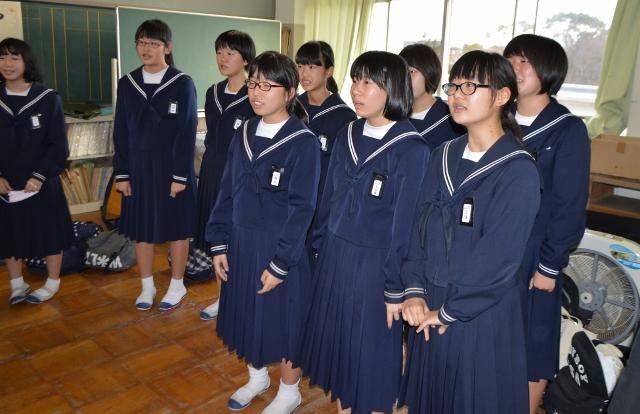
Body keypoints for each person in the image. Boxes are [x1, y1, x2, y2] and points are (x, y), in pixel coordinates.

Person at [399, 50, 541, 414]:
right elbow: (418, 228)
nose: (456, 95)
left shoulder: (517, 170)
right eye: (453, 86)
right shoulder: (442, 155)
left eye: (470, 86)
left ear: (502, 95)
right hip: (430, 301)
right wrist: (414, 290)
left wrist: (449, 311)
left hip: (479, 311)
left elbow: (499, 258)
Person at [298, 51, 430, 414]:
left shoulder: (411, 148)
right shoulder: (349, 132)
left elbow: (404, 228)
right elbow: (328, 198)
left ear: (393, 88)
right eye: (356, 80)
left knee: (370, 357)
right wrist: (318, 248)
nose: (357, 90)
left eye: (368, 82)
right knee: (340, 350)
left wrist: (394, 287)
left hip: (375, 268)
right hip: (335, 258)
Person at [206, 51, 320, 414]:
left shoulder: (302, 141)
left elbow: (302, 208)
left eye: (267, 86)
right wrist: (218, 242)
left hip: (280, 249)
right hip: (241, 242)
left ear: (290, 92)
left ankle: (289, 391)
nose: (256, 92)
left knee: (285, 322)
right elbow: (227, 190)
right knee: (246, 313)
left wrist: (281, 263)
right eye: (253, 83)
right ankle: (257, 376)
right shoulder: (244, 132)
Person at [504, 34, 591, 414]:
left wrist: (550, 265)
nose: (515, 68)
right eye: (511, 60)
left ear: (548, 71)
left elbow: (570, 205)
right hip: (495, 251)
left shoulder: (566, 129)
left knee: (532, 344)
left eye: (524, 62)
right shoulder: (498, 119)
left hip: (535, 256)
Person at [113, 19, 197, 311]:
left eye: (153, 43)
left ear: (167, 48)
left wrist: (180, 176)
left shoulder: (182, 83)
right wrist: (122, 173)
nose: (145, 48)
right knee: (142, 228)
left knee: (178, 228)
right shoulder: (127, 83)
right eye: (141, 42)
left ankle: (177, 284)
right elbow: (121, 131)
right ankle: (146, 286)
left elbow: (187, 132)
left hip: (173, 169)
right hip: (139, 170)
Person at [0, 37, 74, 305]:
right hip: (7, 182)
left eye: (14, 58)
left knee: (49, 232)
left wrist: (39, 175)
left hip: (42, 179)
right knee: (10, 233)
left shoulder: (47, 98)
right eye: (2, 58)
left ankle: (52, 282)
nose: (7, 64)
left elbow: (58, 146)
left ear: (26, 62)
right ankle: (17, 284)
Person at [197, 30, 256, 321]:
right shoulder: (213, 92)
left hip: (240, 176)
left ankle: (242, 301)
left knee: (238, 239)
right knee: (217, 237)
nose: (223, 58)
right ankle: (222, 298)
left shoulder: (255, 94)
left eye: (230, 53)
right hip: (212, 170)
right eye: (219, 52)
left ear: (245, 59)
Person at [295, 41, 356, 203]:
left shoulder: (344, 116)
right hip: (291, 197)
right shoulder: (291, 108)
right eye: (300, 66)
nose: (304, 74)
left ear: (329, 71)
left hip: (324, 200)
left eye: (312, 67)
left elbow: (343, 171)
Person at [399, 43, 464, 150]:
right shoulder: (392, 117)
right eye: (400, 72)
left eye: (411, 71)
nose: (403, 78)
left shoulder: (453, 122)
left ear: (429, 72)